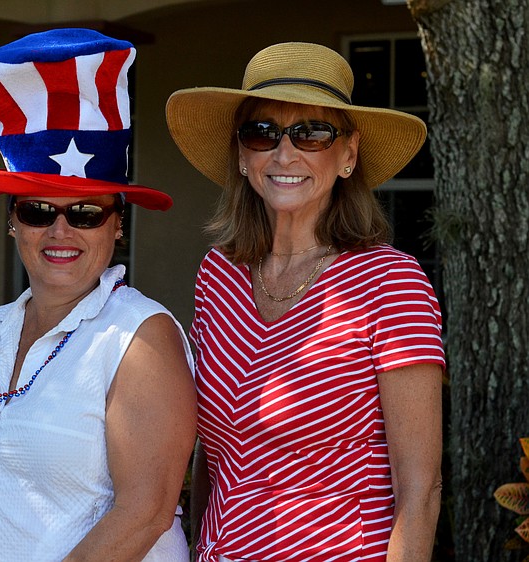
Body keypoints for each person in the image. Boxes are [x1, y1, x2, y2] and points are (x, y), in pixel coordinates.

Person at [0, 28, 197, 561]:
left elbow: (146, 511)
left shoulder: (139, 337)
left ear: (118, 226)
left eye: (86, 213)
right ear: (13, 223)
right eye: (37, 211)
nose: (59, 231)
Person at [165, 42, 445, 561]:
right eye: (262, 132)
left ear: (348, 155)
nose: (284, 153)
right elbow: (212, 457)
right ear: (243, 157)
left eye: (311, 132)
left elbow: (421, 491)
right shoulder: (217, 274)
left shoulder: (392, 281)